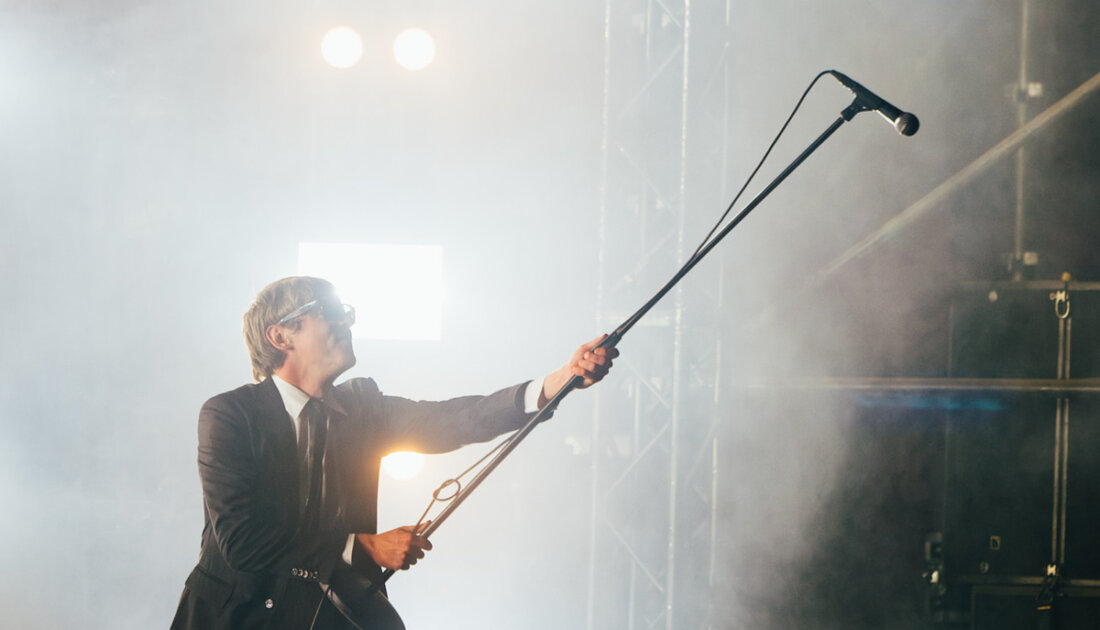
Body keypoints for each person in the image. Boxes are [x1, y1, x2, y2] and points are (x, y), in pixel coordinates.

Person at [171, 276, 617, 630]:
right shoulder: (230, 414)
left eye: (347, 312)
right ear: (280, 335)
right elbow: (243, 540)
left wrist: (557, 382)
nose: (346, 322)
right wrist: (362, 546)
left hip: (329, 617)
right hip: (232, 617)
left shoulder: (363, 407)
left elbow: (457, 418)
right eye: (329, 312)